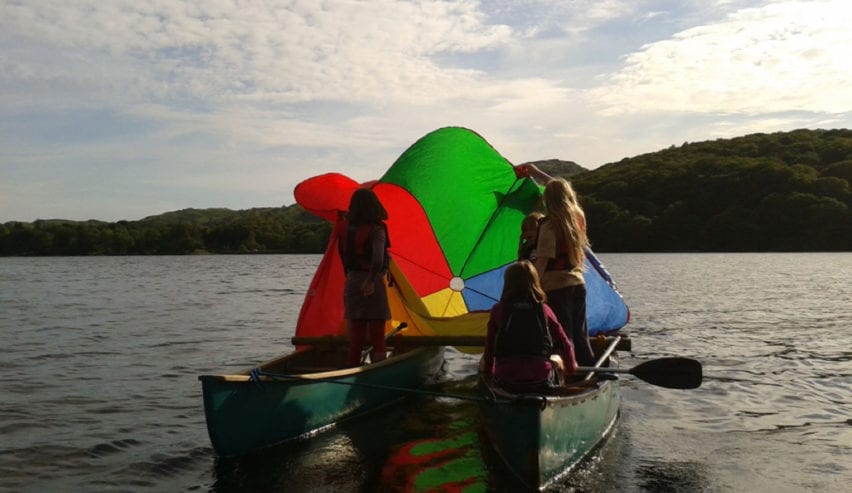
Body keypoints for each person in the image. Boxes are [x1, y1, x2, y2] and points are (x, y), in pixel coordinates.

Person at [481, 260, 577, 392]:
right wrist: (571, 368)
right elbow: (564, 342)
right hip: (540, 378)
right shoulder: (544, 310)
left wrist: (488, 375)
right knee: (557, 358)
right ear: (534, 282)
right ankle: (559, 389)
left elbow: (489, 347)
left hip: (506, 378)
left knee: (484, 363)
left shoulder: (498, 310)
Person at [337, 188, 391, 367]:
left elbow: (342, 255)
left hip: (352, 281)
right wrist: (370, 281)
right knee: (377, 335)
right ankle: (379, 372)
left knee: (356, 336)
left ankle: (352, 370)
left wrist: (351, 277)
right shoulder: (377, 229)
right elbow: (378, 259)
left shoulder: (342, 227)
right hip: (371, 281)